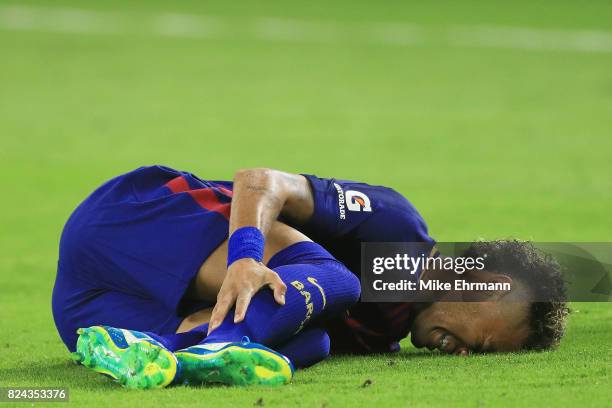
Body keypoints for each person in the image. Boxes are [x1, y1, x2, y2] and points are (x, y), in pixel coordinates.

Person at [52, 166, 568, 389]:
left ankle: (160, 353)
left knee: (315, 342)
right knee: (338, 280)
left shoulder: (383, 334)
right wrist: (246, 257)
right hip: (134, 221)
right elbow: (259, 181)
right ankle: (205, 350)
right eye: (479, 342)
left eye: (479, 354)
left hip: (86, 308)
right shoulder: (398, 232)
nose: (463, 353)